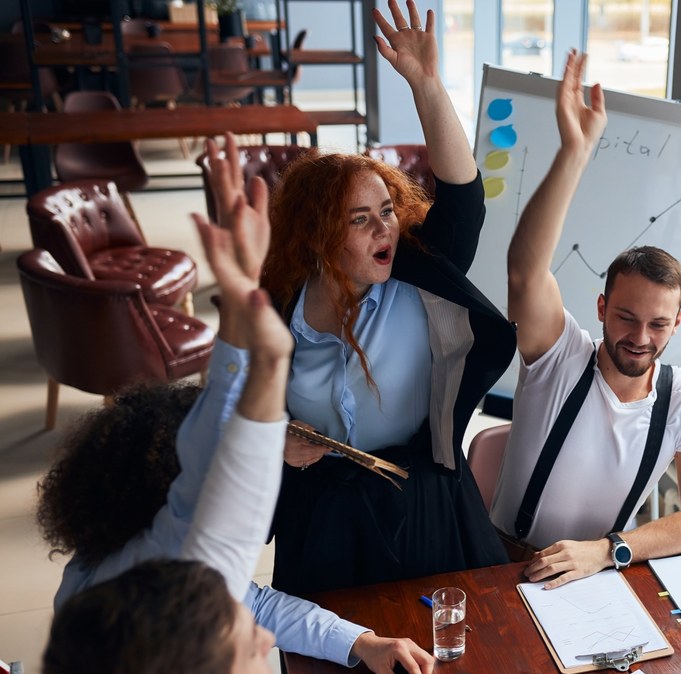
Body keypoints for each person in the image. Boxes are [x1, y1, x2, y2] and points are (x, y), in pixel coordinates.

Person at [37, 135, 435, 674]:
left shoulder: (140, 582)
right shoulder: (168, 580)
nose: (258, 643)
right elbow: (224, 486)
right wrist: (253, 324)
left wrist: (362, 642)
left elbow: (259, 599)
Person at [257, 0, 511, 595]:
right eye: (362, 219)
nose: (386, 230)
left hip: (419, 497)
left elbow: (464, 200)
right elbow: (231, 416)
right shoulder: (277, 310)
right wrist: (273, 444)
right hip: (321, 511)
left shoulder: (418, 278)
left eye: (389, 212)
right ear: (320, 235)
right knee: (330, 648)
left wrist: (426, 85)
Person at [42, 151, 295, 673]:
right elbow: (224, 513)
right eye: (245, 645)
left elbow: (215, 506)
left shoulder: (114, 610)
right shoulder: (162, 600)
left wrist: (248, 319)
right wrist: (264, 353)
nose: (265, 641)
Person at [490, 51, 681, 589]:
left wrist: (609, 550)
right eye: (625, 317)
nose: (640, 338)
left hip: (597, 577)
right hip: (502, 566)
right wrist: (575, 152)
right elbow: (526, 274)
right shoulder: (560, 357)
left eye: (659, 325)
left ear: (678, 321)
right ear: (601, 308)